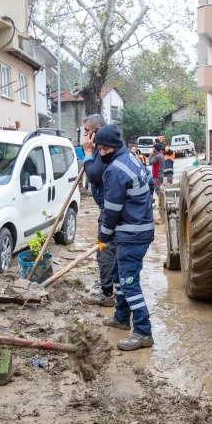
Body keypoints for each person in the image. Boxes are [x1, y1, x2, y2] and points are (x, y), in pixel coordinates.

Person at [94, 124, 155, 351]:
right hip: (139, 229)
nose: (100, 153)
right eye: (98, 149)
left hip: (132, 235)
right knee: (118, 275)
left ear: (111, 147)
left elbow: (111, 210)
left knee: (129, 284)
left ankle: (142, 331)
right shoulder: (132, 158)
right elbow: (149, 183)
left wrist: (103, 237)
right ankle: (121, 317)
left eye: (102, 149)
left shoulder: (115, 171)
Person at [81, 113, 118, 307]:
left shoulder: (104, 151)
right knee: (111, 249)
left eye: (87, 131)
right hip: (109, 205)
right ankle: (111, 286)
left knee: (103, 249)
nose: (84, 135)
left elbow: (94, 175)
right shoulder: (100, 148)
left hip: (110, 207)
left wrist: (88, 154)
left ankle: (107, 293)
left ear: (96, 131)